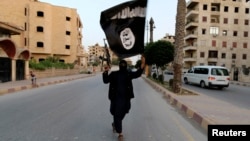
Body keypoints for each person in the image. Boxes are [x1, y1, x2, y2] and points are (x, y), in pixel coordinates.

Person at [102, 55, 145, 140]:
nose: (122, 66)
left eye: (123, 65)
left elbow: (138, 73)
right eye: (121, 64)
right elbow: (106, 81)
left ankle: (115, 123)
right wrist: (105, 72)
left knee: (125, 110)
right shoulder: (114, 74)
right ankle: (120, 133)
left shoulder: (128, 74)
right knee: (116, 114)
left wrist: (143, 63)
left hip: (126, 99)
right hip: (116, 98)